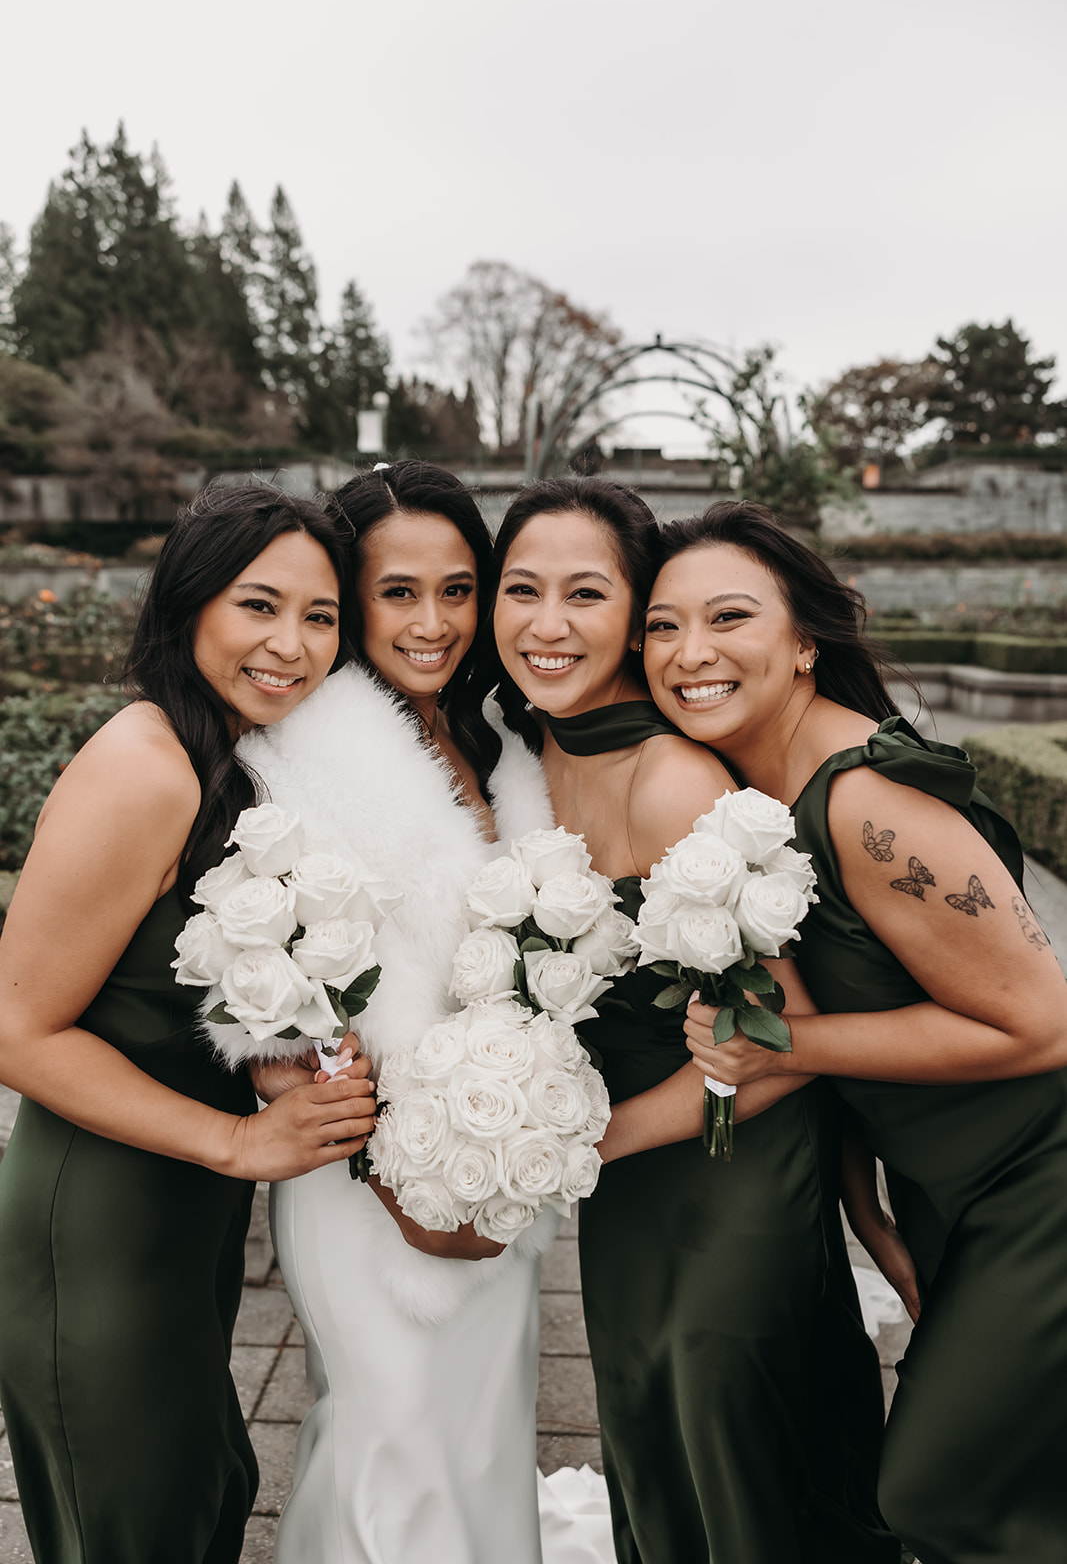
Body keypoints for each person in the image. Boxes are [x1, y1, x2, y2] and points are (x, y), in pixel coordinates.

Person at [646, 499, 1067, 1564]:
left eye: (727, 617)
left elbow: (1041, 1025)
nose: (687, 651)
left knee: (939, 1490)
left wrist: (780, 1046)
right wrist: (866, 1212)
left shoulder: (865, 799)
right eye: (660, 624)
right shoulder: (749, 793)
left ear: (802, 643)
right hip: (944, 1192)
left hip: (1042, 1182)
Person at [492, 476, 898, 1564]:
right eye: (519, 589)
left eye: (585, 593)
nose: (547, 622)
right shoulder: (526, 757)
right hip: (629, 1183)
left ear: (632, 616)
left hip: (732, 1169)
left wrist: (575, 1142)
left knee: (729, 1424)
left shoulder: (673, 782)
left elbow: (780, 1042)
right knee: (643, 1410)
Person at [0, 482, 378, 1564]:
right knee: (138, 1520)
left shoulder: (230, 757)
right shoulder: (145, 765)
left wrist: (271, 1065)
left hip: (180, 1228)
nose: (292, 645)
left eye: (320, 617)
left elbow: (171, 987)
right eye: (259, 606)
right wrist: (235, 1140)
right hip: (99, 1224)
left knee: (204, 1486)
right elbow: (16, 1031)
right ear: (189, 601)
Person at [240, 461, 575, 1564]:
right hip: (367, 1176)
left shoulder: (493, 734)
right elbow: (273, 996)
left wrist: (510, 1142)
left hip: (495, 1158)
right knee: (395, 1446)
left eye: (457, 588)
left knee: (476, 1442)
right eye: (395, 591)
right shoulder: (298, 754)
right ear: (349, 594)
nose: (432, 622)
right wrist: (401, 1183)